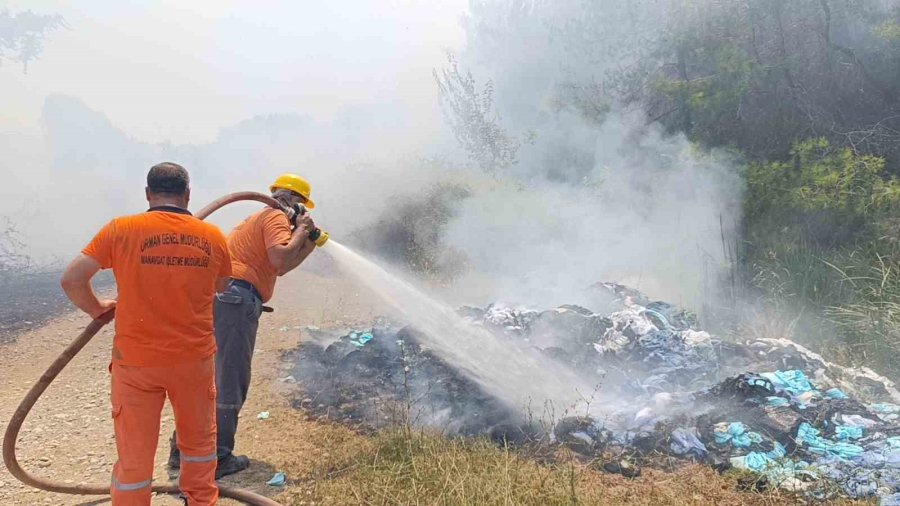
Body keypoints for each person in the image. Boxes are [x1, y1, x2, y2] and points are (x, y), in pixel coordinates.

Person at [61, 162, 232, 505]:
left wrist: (97, 309)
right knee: (198, 448)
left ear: (148, 194)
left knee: (135, 456)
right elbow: (223, 285)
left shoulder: (122, 229)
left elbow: (72, 279)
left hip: (136, 363)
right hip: (193, 361)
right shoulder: (212, 236)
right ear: (187, 194)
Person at [169, 173, 318, 478]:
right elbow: (279, 259)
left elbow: (283, 266)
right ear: (295, 202)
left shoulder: (261, 218)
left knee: (209, 377)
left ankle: (181, 452)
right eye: (302, 208)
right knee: (229, 378)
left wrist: (308, 243)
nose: (302, 216)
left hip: (223, 299)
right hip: (235, 300)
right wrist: (302, 230)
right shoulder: (276, 216)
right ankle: (219, 457)